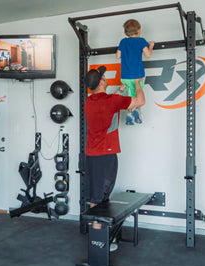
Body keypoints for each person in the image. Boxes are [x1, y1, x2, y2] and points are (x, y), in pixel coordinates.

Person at [84, 66, 144, 251]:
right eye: (103, 76)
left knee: (95, 199)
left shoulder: (89, 101)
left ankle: (98, 238)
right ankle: (99, 246)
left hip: (92, 156)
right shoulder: (112, 101)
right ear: (102, 82)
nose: (105, 77)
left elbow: (107, 103)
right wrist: (137, 83)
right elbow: (140, 101)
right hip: (106, 156)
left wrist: (119, 92)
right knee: (100, 202)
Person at [116, 19, 154, 125]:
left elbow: (118, 56)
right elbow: (148, 55)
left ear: (125, 33)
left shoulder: (123, 42)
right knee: (138, 95)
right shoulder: (141, 41)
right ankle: (137, 110)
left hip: (125, 76)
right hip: (137, 74)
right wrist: (151, 46)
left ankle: (129, 115)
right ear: (139, 30)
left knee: (130, 95)